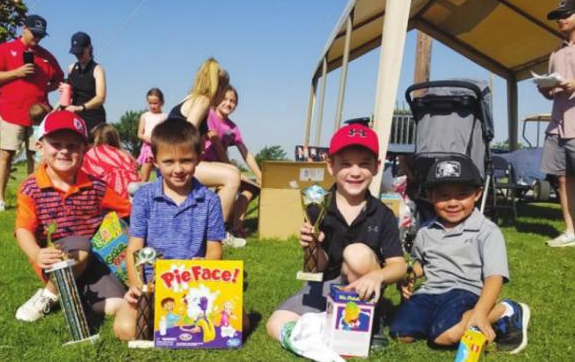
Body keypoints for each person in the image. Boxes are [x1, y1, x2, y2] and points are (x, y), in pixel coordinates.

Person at [266, 123, 406, 349]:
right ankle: (325, 333)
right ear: (331, 165)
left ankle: (371, 320)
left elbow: (398, 265)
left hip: (363, 287)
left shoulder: (382, 214)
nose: (355, 171)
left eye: (364, 164)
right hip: (326, 286)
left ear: (377, 166)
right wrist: (312, 247)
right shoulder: (317, 206)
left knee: (356, 253)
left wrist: (377, 277)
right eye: (346, 164)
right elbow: (318, 269)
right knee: (276, 324)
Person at [389, 156, 530, 354]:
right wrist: (411, 273)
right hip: (430, 293)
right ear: (430, 196)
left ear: (477, 194)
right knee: (401, 333)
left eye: (462, 194)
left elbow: (494, 277)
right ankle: (445, 319)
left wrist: (480, 313)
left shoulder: (487, 231)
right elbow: (423, 263)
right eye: (443, 195)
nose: (453, 202)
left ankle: (506, 311)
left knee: (444, 335)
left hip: (465, 292)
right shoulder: (426, 230)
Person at [113, 118, 225, 340]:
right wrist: (137, 287)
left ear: (199, 158)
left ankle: (173, 322)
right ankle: (163, 317)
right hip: (152, 286)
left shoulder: (210, 200)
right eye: (169, 161)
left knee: (239, 322)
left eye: (186, 160)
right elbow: (134, 248)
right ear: (155, 161)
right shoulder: (144, 197)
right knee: (125, 329)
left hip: (193, 286)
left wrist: (206, 266)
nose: (178, 169)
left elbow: (215, 249)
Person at [13, 110, 131, 322]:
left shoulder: (96, 186)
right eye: (56, 144)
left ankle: (77, 293)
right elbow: (23, 229)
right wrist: (36, 253)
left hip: (94, 259)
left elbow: (127, 211)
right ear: (40, 146)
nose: (64, 151)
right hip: (53, 259)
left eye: (72, 146)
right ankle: (49, 294)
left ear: (85, 149)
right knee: (80, 245)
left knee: (114, 305)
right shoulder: (31, 187)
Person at [0, 14, 63, 212]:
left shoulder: (47, 56)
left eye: (40, 35)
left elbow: (59, 79)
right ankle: (0, 199)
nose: (37, 38)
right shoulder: (5, 49)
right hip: (11, 112)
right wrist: (17, 72)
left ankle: (33, 199)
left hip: (38, 115)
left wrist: (47, 89)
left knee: (36, 156)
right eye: (34, 33)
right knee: (6, 153)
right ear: (23, 28)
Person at [167, 57, 245, 248]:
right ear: (217, 88)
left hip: (172, 160)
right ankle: (217, 233)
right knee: (233, 176)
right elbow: (187, 134)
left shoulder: (190, 98)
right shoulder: (202, 101)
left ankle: (208, 227)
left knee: (230, 170)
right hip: (178, 164)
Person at [538, 0, 575, 247]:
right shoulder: (555, 53)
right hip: (557, 125)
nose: (560, 19)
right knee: (563, 178)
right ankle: (571, 231)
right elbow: (551, 90)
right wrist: (545, 88)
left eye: (566, 14)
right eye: (557, 17)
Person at [202, 86, 261, 237]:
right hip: (205, 165)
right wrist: (234, 171)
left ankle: (235, 226)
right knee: (234, 179)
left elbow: (245, 153)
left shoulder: (233, 127)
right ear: (217, 100)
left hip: (223, 167)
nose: (228, 103)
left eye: (233, 101)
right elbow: (217, 145)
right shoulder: (209, 116)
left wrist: (260, 176)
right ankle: (218, 228)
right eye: (225, 99)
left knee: (252, 188)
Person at [62, 32, 107, 135]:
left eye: (81, 52)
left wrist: (80, 108)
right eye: (76, 53)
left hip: (94, 119)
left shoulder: (97, 69)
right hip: (75, 118)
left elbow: (101, 98)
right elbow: (72, 94)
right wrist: (66, 92)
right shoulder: (71, 68)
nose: (78, 56)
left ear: (89, 48)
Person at [82, 123, 140, 199]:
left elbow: (84, 175)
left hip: (108, 196)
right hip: (132, 195)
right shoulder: (126, 155)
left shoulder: (93, 154)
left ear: (96, 139)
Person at [136, 87, 167, 182]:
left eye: (155, 103)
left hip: (160, 148)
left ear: (162, 102)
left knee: (162, 176)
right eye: (150, 103)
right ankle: (140, 194)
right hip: (147, 149)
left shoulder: (165, 116)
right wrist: (146, 138)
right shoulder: (144, 116)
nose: (152, 106)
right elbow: (139, 134)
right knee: (143, 177)